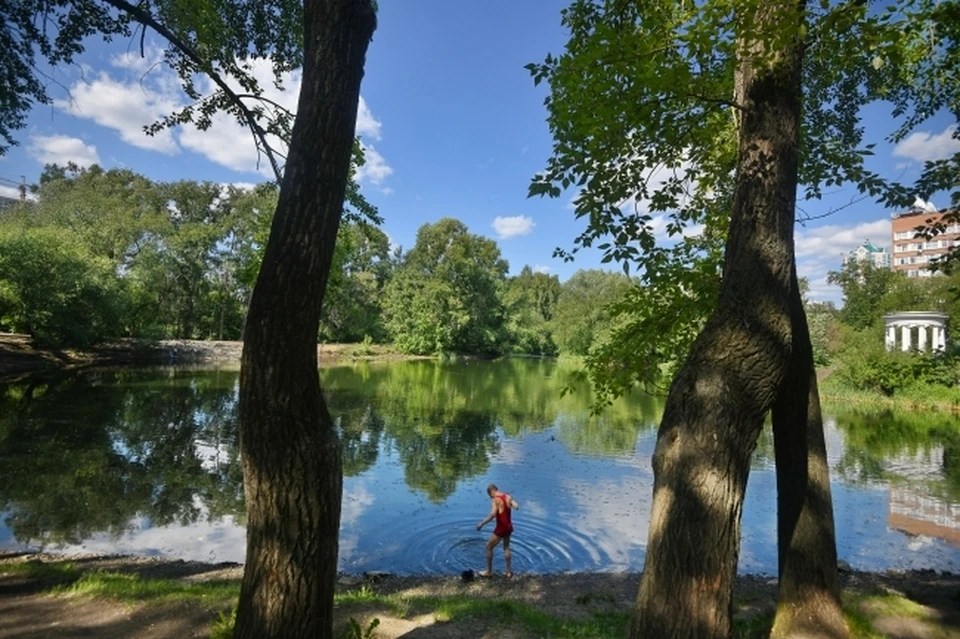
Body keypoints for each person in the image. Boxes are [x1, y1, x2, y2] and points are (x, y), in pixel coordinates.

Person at [476, 483, 519, 578]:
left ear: (491, 493)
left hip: (501, 528)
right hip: (508, 527)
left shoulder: (496, 500)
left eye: (490, 496)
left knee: (488, 546)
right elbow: (517, 506)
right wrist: (512, 503)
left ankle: (489, 571)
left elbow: (492, 515)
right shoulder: (507, 496)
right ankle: (508, 572)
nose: (491, 498)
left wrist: (481, 524)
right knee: (506, 548)